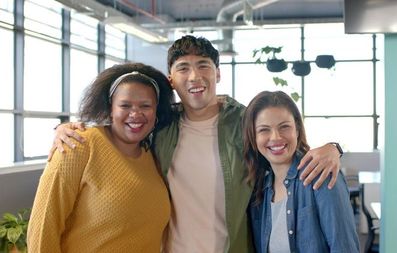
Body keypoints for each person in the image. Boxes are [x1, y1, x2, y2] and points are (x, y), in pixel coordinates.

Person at [51, 35, 343, 253]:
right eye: (183, 68)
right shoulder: (160, 126)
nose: (195, 76)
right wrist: (64, 128)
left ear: (217, 73)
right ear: (171, 80)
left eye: (203, 65)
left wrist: (333, 147)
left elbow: (282, 147)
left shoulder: (244, 121)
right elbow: (122, 126)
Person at [28, 63, 174, 253]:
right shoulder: (78, 145)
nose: (136, 114)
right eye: (125, 105)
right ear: (110, 108)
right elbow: (43, 227)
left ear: (156, 112)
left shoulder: (154, 154)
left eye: (146, 106)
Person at [243, 91, 359, 253]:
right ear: (253, 137)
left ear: (297, 130)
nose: (275, 137)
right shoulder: (258, 189)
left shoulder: (321, 174)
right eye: (264, 130)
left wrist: (334, 148)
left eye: (284, 127)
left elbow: (344, 247)